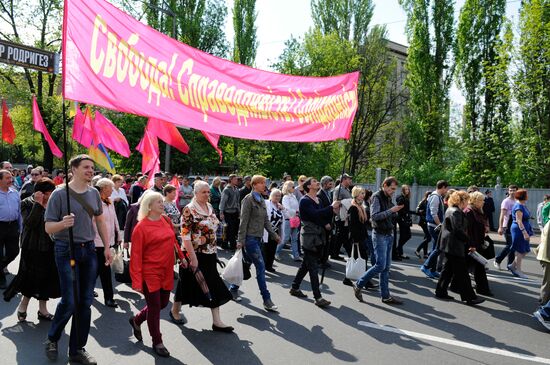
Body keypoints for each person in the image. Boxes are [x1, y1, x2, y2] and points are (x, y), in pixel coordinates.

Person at [44, 155, 111, 364]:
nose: (91, 170)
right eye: (86, 167)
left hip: (89, 250)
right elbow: (48, 228)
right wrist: (63, 223)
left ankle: (77, 350)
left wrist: (107, 246)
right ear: (73, 169)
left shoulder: (93, 193)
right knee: (70, 300)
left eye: (92, 167)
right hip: (66, 250)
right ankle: (53, 337)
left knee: (85, 302)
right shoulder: (58, 194)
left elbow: (99, 219)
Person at [128, 192, 184, 358]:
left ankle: (136, 320)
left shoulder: (165, 220)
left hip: (167, 270)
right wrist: (137, 281)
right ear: (149, 206)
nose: (162, 204)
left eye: (162, 201)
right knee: (154, 308)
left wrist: (182, 257)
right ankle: (157, 341)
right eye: (158, 202)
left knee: (163, 303)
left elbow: (173, 240)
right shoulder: (141, 227)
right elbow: (136, 256)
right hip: (149, 272)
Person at [175, 181, 233, 332]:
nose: (208, 194)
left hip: (210, 253)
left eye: (208, 192)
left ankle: (217, 321)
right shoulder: (189, 210)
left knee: (213, 284)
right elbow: (185, 236)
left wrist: (215, 250)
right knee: (185, 284)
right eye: (204, 192)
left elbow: (212, 230)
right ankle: (175, 311)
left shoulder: (209, 207)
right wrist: (192, 258)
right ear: (196, 193)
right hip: (194, 254)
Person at [4, 178, 60, 321]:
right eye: (47, 193)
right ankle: (23, 306)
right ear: (39, 192)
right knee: (29, 277)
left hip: (50, 246)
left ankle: (43, 309)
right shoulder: (27, 203)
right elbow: (30, 223)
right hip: (32, 246)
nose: (49, 196)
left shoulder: (54, 203)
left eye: (51, 193)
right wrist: (38, 204)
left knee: (47, 278)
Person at [230, 175, 281, 312]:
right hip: (249, 239)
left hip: (258, 239)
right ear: (254, 185)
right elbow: (243, 221)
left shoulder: (263, 200)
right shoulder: (248, 199)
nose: (265, 185)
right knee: (261, 266)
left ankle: (233, 289)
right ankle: (266, 299)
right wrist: (240, 240)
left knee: (246, 263)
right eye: (262, 183)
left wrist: (274, 235)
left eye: (265, 183)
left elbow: (266, 221)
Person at [353, 177, 404, 305]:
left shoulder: (387, 197)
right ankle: (359, 283)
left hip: (388, 234)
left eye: (394, 189)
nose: (393, 191)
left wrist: (395, 212)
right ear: (385, 185)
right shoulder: (377, 196)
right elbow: (374, 216)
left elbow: (388, 214)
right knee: (380, 265)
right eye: (392, 188)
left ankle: (386, 296)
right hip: (380, 234)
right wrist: (391, 211)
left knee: (386, 267)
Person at [290, 177, 340, 308]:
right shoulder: (305, 200)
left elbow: (322, 215)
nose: (317, 183)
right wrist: (330, 207)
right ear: (308, 187)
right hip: (309, 237)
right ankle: (318, 297)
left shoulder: (318, 199)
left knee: (306, 264)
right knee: (313, 267)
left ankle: (294, 287)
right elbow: (315, 214)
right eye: (314, 182)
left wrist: (332, 212)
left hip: (319, 235)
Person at [435, 191, 484, 306]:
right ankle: (470, 297)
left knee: (447, 270)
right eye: (466, 200)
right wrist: (470, 242)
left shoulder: (451, 209)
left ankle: (440, 291)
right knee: (462, 274)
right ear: (461, 201)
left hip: (449, 245)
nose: (467, 202)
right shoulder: (456, 212)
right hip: (455, 246)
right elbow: (458, 230)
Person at [93, 178, 120, 308]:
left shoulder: (110, 201)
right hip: (97, 241)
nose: (112, 190)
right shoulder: (95, 203)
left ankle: (88, 289)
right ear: (103, 188)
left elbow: (114, 219)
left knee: (98, 269)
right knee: (105, 269)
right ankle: (109, 298)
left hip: (109, 240)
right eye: (110, 188)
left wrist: (118, 235)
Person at [464, 191, 493, 296]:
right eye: (481, 200)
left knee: (475, 267)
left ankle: (482, 289)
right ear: (474, 201)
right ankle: (482, 289)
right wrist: (471, 245)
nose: (483, 202)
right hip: (472, 245)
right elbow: (467, 231)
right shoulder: (469, 211)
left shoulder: (477, 210)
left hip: (477, 243)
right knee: (465, 267)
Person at [347, 186, 377, 288]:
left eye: (363, 193)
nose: (363, 195)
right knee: (361, 258)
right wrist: (355, 240)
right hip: (356, 238)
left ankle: (347, 279)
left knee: (358, 258)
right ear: (356, 194)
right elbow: (352, 226)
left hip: (362, 236)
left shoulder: (361, 206)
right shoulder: (353, 207)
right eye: (361, 193)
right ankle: (365, 281)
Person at [420, 180, 449, 279]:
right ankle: (426, 266)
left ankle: (432, 270)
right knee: (438, 248)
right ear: (443, 187)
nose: (447, 190)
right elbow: (433, 213)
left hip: (434, 225)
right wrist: (440, 225)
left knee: (435, 248)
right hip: (434, 226)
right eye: (446, 188)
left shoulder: (437, 196)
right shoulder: (435, 197)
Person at [0, 169, 22, 289]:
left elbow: (18, 212)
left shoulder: (14, 193)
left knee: (14, 252)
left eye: (11, 177)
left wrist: (20, 226)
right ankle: (1, 279)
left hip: (12, 226)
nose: (11, 180)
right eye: (7, 178)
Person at [508, 189, 533, 279]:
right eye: (526, 194)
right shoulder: (518, 205)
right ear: (523, 196)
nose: (528, 196)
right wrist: (524, 233)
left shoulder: (522, 204)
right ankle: (518, 270)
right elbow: (519, 221)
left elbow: (524, 216)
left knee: (525, 249)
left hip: (523, 228)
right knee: (520, 250)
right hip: (519, 230)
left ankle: (512, 265)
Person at [494, 185, 518, 270]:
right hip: (507, 225)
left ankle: (509, 265)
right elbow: (502, 215)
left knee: (513, 246)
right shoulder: (506, 201)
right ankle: (497, 260)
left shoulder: (517, 201)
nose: (512, 192)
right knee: (510, 244)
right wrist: (500, 227)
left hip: (515, 225)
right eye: (510, 190)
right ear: (508, 191)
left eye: (514, 190)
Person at [263, 189, 286, 272]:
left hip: (275, 231)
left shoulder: (279, 206)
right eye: (275, 195)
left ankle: (269, 266)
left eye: (279, 196)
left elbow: (288, 216)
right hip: (266, 230)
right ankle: (262, 266)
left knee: (272, 249)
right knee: (265, 250)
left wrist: (283, 209)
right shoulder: (266, 203)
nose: (277, 197)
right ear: (271, 196)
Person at [331, 173, 353, 261]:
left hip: (346, 216)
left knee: (341, 236)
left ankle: (334, 253)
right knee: (343, 236)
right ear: (344, 179)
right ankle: (352, 255)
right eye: (348, 179)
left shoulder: (346, 189)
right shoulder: (338, 189)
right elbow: (336, 202)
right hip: (341, 216)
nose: (350, 180)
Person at [280, 180, 301, 261]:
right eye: (292, 186)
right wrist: (295, 212)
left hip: (294, 219)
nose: (294, 188)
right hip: (288, 219)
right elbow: (287, 208)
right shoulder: (285, 197)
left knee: (294, 239)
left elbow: (297, 207)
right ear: (288, 188)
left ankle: (296, 256)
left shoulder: (293, 196)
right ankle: (276, 252)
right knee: (285, 238)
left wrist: (297, 212)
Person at [219, 174, 240, 250]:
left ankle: (225, 244)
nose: (236, 180)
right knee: (229, 229)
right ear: (230, 180)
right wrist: (221, 212)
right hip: (227, 212)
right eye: (235, 179)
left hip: (234, 212)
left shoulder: (236, 189)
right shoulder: (227, 189)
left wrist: (239, 212)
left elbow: (238, 202)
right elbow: (223, 201)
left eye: (237, 179)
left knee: (233, 229)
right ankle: (232, 246)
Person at [393, 184, 413, 261]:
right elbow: (399, 208)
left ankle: (399, 250)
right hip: (402, 219)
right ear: (403, 190)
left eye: (408, 189)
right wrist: (406, 213)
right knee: (404, 236)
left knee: (407, 236)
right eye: (406, 189)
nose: (407, 191)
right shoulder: (401, 197)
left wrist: (415, 212)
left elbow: (406, 210)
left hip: (405, 219)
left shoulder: (406, 198)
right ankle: (399, 251)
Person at [415, 191, 432, 259]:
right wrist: (420, 211)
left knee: (426, 237)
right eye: (429, 195)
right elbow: (417, 210)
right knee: (429, 238)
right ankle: (417, 250)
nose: (430, 197)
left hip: (427, 221)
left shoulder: (430, 202)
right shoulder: (423, 202)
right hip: (423, 222)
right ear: (426, 196)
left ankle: (425, 254)